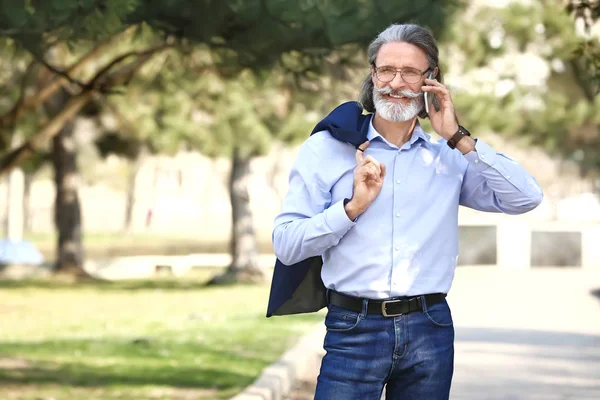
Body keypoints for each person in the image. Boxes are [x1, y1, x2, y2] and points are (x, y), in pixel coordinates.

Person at [269, 23, 543, 400]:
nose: (395, 83)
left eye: (410, 72)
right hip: (353, 328)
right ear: (372, 75)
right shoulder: (327, 149)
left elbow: (525, 197)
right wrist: (352, 208)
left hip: (429, 328)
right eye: (386, 70)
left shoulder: (449, 156)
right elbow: (286, 244)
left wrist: (459, 136)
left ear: (431, 81)